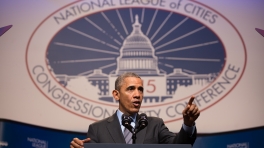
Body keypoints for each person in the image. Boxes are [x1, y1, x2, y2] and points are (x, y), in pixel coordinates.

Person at [70, 72, 200, 148]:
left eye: (141, 90)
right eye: (131, 89)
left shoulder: (155, 125)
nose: (137, 94)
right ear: (116, 95)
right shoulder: (97, 129)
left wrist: (188, 125)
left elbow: (178, 145)